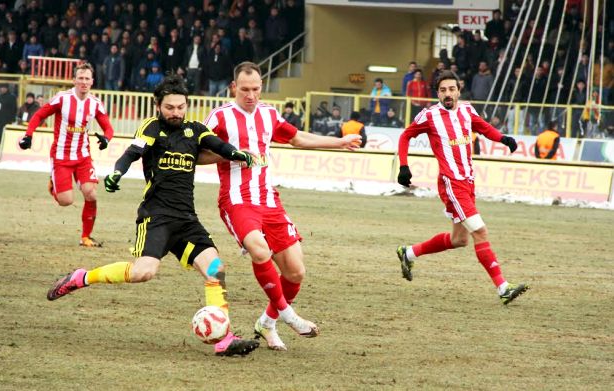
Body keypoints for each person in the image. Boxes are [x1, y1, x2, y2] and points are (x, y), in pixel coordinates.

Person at [46, 75, 259, 357]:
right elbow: (132, 153)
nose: (176, 113)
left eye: (181, 107)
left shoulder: (195, 130)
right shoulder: (152, 127)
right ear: (158, 105)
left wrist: (237, 153)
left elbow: (218, 145)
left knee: (215, 270)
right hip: (156, 216)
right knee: (142, 273)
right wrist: (117, 173)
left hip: (186, 219)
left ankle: (224, 339)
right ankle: (81, 277)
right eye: (170, 107)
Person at [204, 62, 362, 351]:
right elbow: (196, 154)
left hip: (269, 200)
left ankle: (266, 323)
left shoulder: (269, 114)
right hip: (237, 201)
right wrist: (230, 155)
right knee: (259, 249)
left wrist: (340, 142)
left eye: (255, 89)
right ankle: (289, 316)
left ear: (261, 87)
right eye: (244, 89)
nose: (250, 95)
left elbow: (298, 138)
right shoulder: (219, 117)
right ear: (233, 87)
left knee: (295, 273)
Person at [395, 70, 529, 305]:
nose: (448, 94)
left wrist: (502, 138)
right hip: (451, 183)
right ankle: (503, 287)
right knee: (480, 231)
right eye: (443, 90)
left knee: (460, 240)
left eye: (451, 89)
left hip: (468, 182)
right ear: (437, 93)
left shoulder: (467, 109)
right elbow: (405, 136)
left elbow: (483, 127)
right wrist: (404, 166)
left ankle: (409, 253)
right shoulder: (429, 116)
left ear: (459, 90)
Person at [18, 63, 114, 248]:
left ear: (92, 82)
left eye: (87, 79)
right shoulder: (62, 99)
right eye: (80, 78)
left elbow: (108, 127)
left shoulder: (95, 103)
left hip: (83, 156)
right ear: (74, 80)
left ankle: (86, 236)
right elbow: (39, 115)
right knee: (66, 201)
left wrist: (107, 139)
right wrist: (28, 134)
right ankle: (53, 183)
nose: (84, 82)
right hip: (61, 157)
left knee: (91, 194)